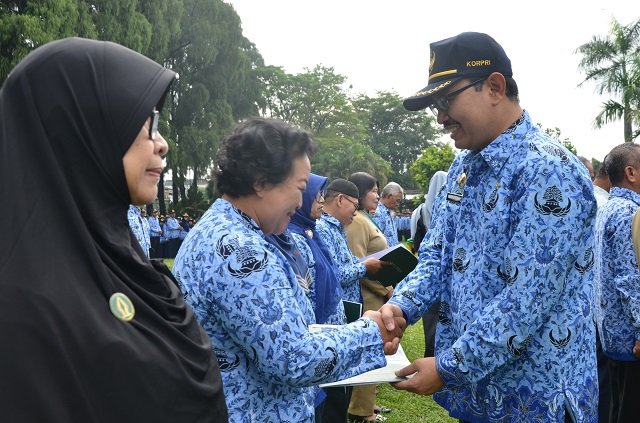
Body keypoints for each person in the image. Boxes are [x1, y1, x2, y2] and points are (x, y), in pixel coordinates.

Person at [0, 37, 226, 421]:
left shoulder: (121, 259)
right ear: (82, 131)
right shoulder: (23, 308)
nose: (162, 143)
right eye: (146, 123)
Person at [381, 31, 598, 423]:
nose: (441, 117)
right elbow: (437, 255)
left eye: (446, 100)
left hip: (533, 400)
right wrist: (401, 306)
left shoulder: (546, 169)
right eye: (435, 106)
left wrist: (449, 368)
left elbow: (526, 297)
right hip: (480, 397)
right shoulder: (464, 168)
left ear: (495, 87)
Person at [171, 118, 405, 423]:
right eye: (299, 188)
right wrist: (371, 331)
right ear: (260, 181)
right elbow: (293, 359)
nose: (301, 201)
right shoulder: (241, 251)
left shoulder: (224, 229)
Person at [316, 178, 388, 423]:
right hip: (333, 320)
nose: (355, 214)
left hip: (345, 316)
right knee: (334, 394)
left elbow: (345, 264)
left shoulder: (337, 230)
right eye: (354, 207)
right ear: (339, 200)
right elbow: (332, 275)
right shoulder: (323, 230)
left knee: (343, 385)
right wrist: (365, 267)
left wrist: (363, 265)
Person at [593, 143, 640, 423]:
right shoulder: (628, 214)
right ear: (631, 172)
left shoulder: (609, 208)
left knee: (617, 409)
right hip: (630, 341)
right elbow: (630, 280)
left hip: (612, 335)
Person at [346, 172, 393, 423]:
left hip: (378, 295)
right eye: (374, 190)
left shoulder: (365, 218)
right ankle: (360, 411)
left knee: (375, 354)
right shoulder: (356, 222)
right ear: (361, 193)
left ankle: (369, 404)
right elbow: (359, 265)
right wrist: (385, 289)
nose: (377, 195)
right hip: (368, 298)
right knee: (367, 352)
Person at [375, 182, 404, 247]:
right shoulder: (378, 213)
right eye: (397, 200)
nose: (397, 204)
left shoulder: (388, 213)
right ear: (389, 196)